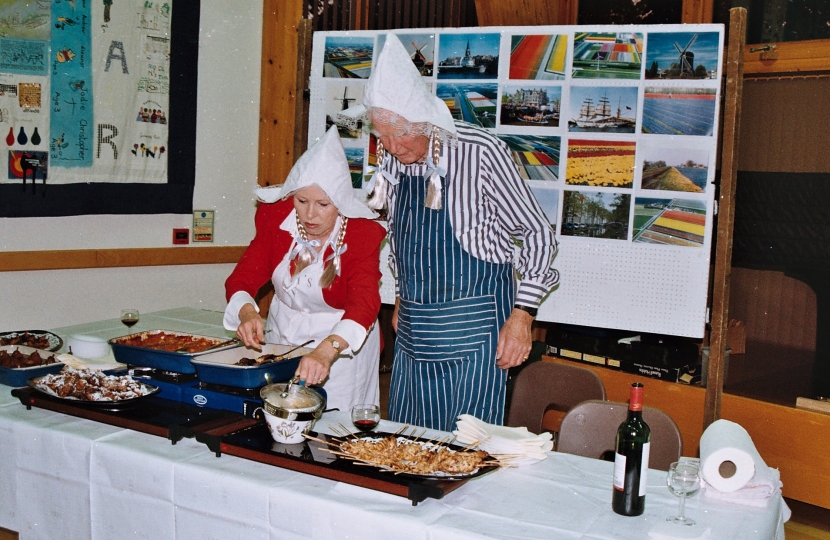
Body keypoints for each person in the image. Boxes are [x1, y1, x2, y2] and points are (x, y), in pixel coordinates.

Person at [337, 34, 559, 431]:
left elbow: (538, 233)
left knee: (466, 445)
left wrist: (523, 315)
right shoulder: (393, 156)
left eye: (400, 134)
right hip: (416, 326)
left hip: (475, 326)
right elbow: (401, 234)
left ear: (425, 121)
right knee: (405, 442)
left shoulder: (479, 151)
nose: (391, 146)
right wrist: (402, 294)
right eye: (382, 136)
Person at [223, 126, 386, 412]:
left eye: (323, 204)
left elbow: (364, 303)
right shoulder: (275, 220)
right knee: (281, 415)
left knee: (335, 426)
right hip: (283, 337)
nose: (310, 214)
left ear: (340, 204)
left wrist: (325, 351)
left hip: (341, 343)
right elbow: (242, 277)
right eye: (302, 201)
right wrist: (247, 312)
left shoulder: (361, 234)